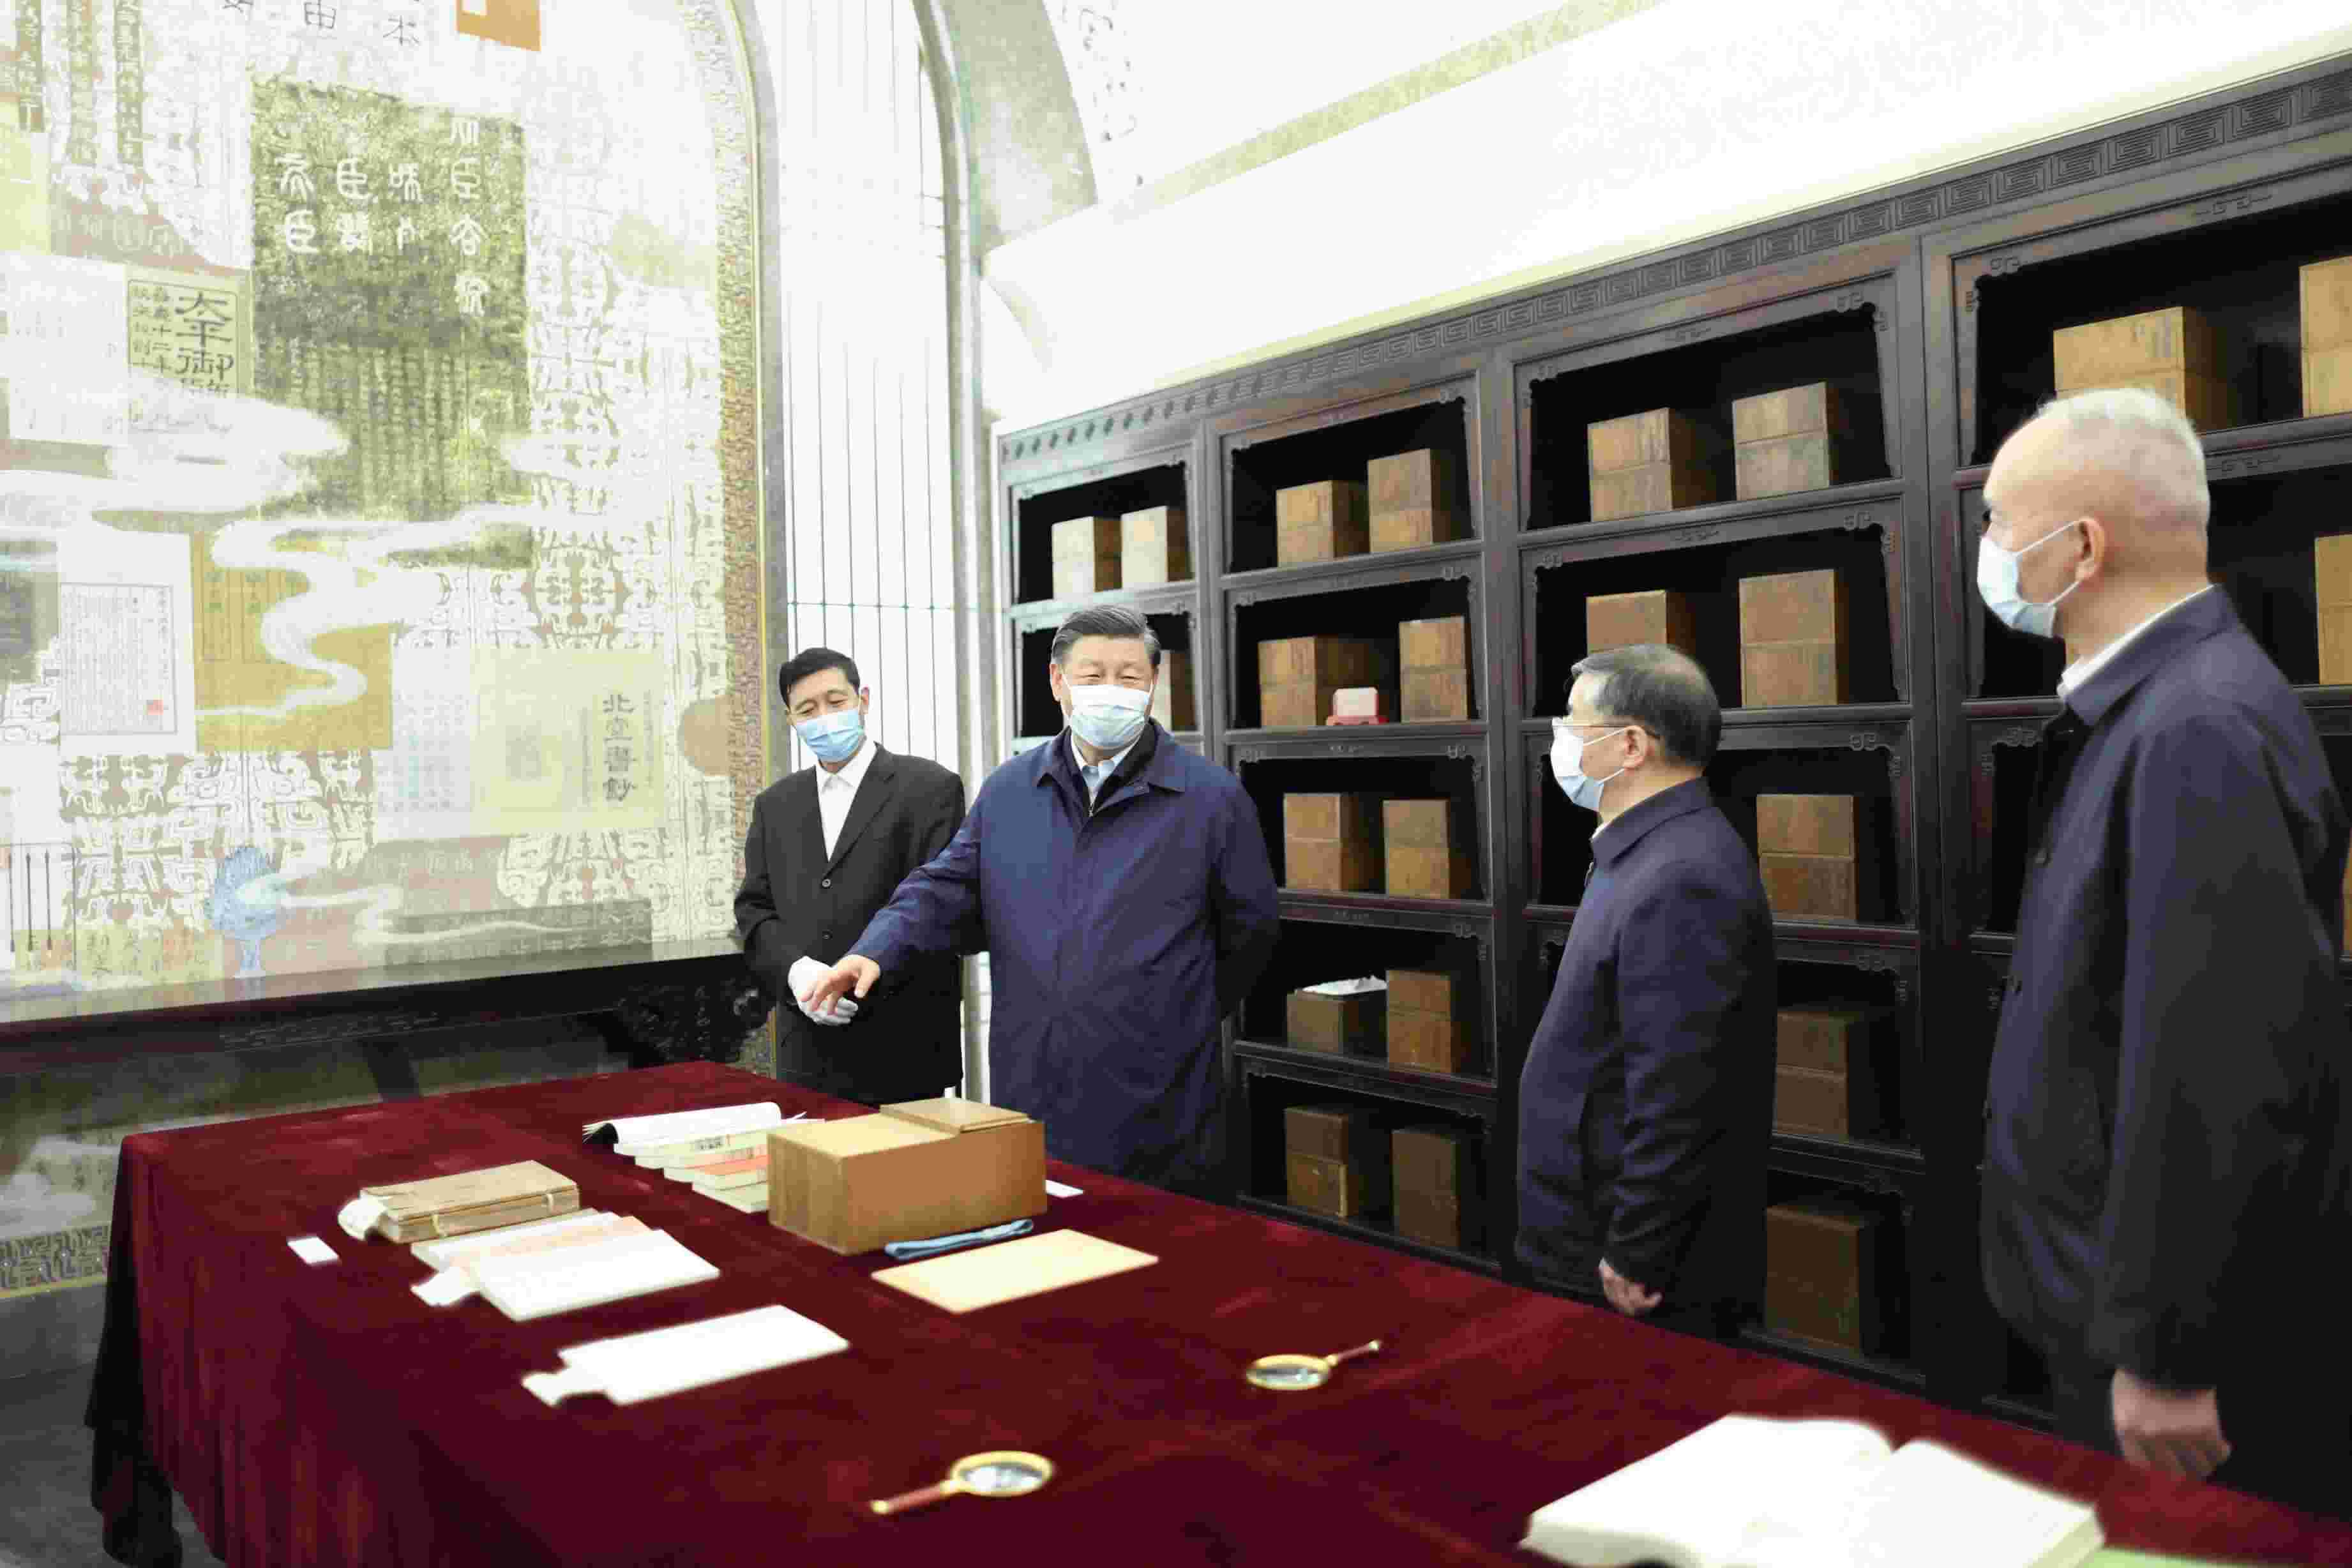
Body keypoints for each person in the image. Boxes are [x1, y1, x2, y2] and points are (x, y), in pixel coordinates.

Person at [1977, 386, 2352, 1521]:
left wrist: (2169, 1349)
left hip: (2157, 1356)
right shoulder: (2151, 709)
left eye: (1999, 523)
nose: (1989, 550)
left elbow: (2221, 1060)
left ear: (2081, 548)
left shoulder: (2196, 725)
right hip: (2099, 1303)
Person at [801, 605, 1280, 1191]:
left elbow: (1251, 934)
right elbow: (943, 887)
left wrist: (1169, 1014)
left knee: (1158, 1242)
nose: (1111, 690)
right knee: (1042, 1231)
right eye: (1092, 675)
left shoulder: (1210, 799)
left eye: (1129, 676)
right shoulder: (1012, 790)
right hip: (1035, 1083)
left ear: (1153, 684)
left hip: (1162, 1097)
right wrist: (873, 951)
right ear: (1057, 681)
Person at [1516, 643, 1775, 1340]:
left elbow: (1680, 1089)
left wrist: (1639, 1246)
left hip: (1624, 1255)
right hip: (1584, 1217)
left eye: (1574, 723)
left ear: (1631, 744)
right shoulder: (1646, 848)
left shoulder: (1683, 873)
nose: (1561, 740)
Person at [734, 647, 967, 1107]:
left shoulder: (930, 788)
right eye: (807, 709)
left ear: (863, 700)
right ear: (791, 720)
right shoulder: (775, 805)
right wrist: (797, 973)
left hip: (904, 1046)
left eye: (836, 701)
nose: (824, 717)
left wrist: (867, 965)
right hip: (807, 1051)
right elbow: (755, 910)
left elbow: (941, 905)